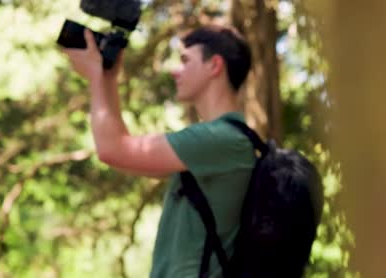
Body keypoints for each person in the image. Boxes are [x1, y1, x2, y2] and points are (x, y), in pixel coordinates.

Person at [63, 24, 255, 277]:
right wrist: (108, 79)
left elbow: (112, 149)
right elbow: (122, 155)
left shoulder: (221, 139)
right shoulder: (222, 141)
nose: (176, 71)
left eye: (186, 61)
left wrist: (96, 77)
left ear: (214, 66)